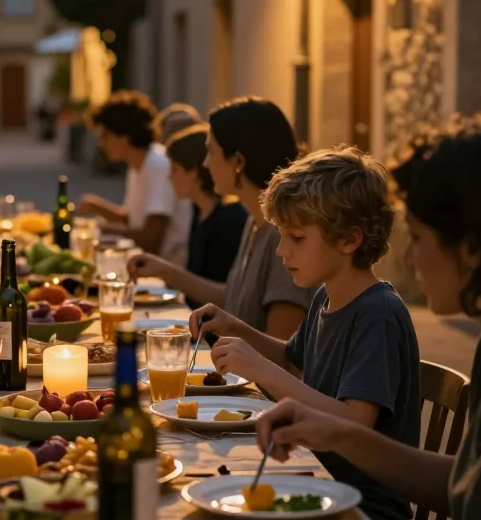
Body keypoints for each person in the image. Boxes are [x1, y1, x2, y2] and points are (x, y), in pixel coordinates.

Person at [254, 114, 481, 520]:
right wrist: (333, 431)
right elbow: (468, 483)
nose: (408, 257)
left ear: (474, 248)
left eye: (418, 237)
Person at [190, 147, 421, 520]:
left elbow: (353, 422)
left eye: (296, 237)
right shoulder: (327, 296)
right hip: (316, 477)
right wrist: (237, 328)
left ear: (349, 240)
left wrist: (259, 368)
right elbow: (291, 356)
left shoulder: (377, 314)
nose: (282, 251)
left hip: (364, 506)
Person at [130, 97, 313, 339]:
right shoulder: (254, 221)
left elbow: (281, 346)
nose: (205, 163)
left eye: (211, 152)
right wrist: (165, 271)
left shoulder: (284, 232)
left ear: (237, 161)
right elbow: (234, 297)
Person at [129, 124, 247, 309]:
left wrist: (166, 272)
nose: (169, 177)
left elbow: (228, 296)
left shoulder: (230, 221)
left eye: (174, 169)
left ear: (193, 172)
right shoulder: (198, 211)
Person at [78, 90, 191, 265]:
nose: (101, 143)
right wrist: (97, 207)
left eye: (104, 135)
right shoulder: (138, 166)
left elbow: (150, 239)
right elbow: (131, 220)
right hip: (147, 266)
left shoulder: (158, 165)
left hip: (167, 276)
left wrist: (99, 229)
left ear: (122, 136)